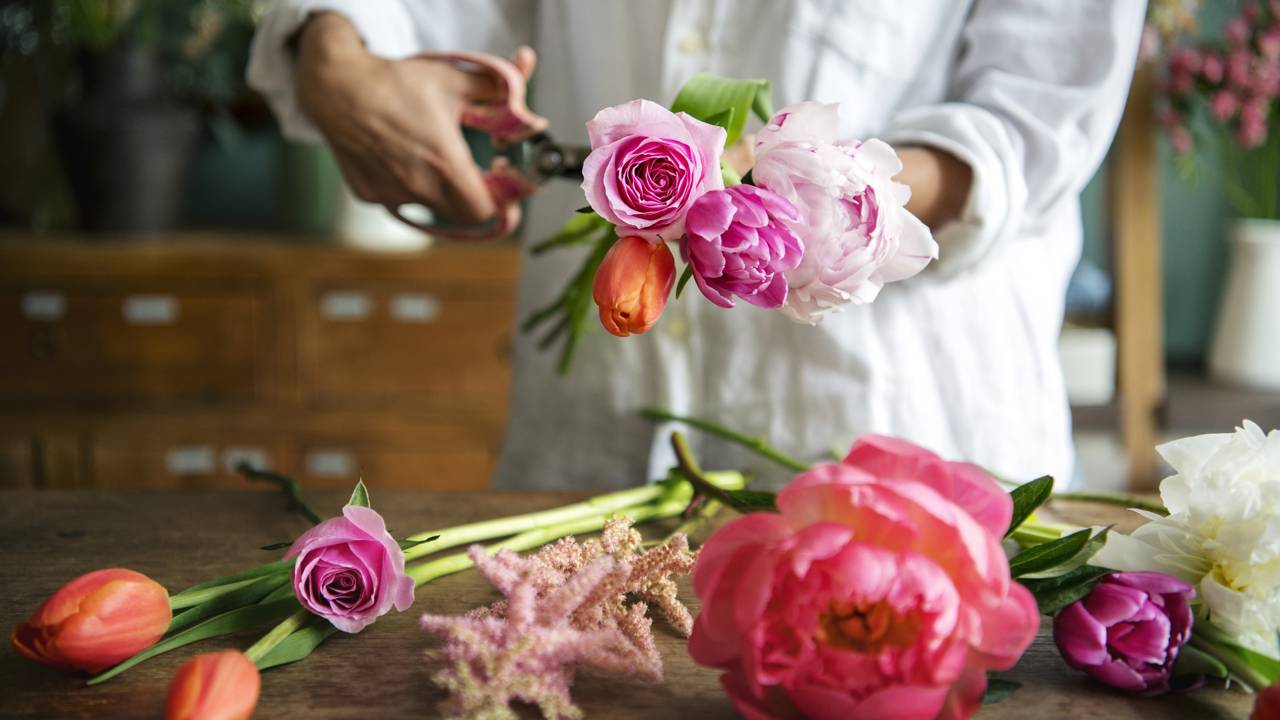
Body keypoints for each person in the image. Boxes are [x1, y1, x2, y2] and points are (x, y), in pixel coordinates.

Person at [248, 1, 1146, 490]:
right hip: (583, 453)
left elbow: (1031, 122)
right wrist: (335, 49)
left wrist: (815, 187)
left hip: (904, 452)